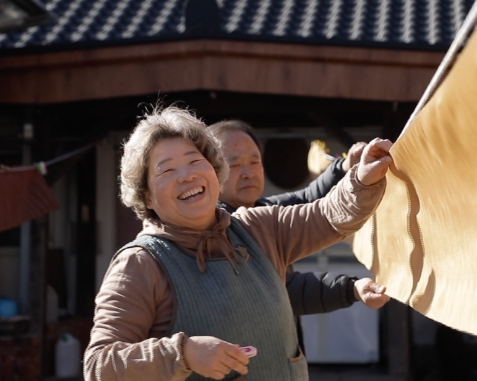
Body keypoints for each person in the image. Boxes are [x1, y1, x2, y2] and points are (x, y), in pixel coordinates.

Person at [83, 105, 392, 381]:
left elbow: (329, 215)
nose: (187, 175)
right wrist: (184, 353)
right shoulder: (140, 263)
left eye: (195, 160)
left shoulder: (258, 226)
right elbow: (99, 365)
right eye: (167, 170)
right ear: (146, 195)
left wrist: (361, 180)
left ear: (215, 172)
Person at [207, 120, 390, 351]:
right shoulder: (216, 230)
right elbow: (281, 289)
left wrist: (345, 167)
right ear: (208, 173)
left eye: (254, 161)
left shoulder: (262, 210)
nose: (248, 172)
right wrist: (351, 288)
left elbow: (306, 199)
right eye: (234, 164)